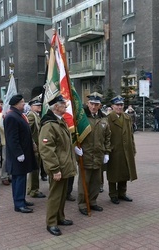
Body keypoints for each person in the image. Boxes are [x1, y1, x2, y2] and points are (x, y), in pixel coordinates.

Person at [39, 94, 77, 236]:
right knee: (55, 196)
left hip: (64, 165)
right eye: (63, 104)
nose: (66, 106)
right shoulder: (49, 125)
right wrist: (55, 169)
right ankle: (51, 222)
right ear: (56, 107)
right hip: (58, 167)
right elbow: (47, 149)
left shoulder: (60, 121)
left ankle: (60, 217)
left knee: (62, 195)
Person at [77, 92, 111, 215]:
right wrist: (76, 148)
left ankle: (92, 202)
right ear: (87, 104)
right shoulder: (82, 118)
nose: (93, 106)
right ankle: (82, 203)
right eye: (91, 104)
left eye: (96, 104)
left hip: (98, 155)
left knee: (96, 181)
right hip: (85, 154)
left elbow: (107, 137)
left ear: (100, 105)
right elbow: (75, 135)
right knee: (84, 182)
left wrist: (106, 152)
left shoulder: (103, 118)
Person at [4, 94, 37, 213]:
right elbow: (12, 138)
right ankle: (18, 204)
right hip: (18, 155)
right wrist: (18, 153)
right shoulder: (11, 117)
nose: (24, 104)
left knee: (22, 178)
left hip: (24, 152)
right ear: (16, 104)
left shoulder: (19, 115)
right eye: (22, 102)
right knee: (19, 178)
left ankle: (21, 199)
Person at [106, 95, 137, 204]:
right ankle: (113, 194)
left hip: (126, 150)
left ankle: (122, 193)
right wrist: (108, 150)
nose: (119, 107)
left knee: (124, 172)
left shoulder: (127, 118)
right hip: (114, 150)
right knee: (113, 173)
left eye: (121, 105)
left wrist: (133, 148)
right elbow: (106, 136)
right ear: (112, 106)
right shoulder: (108, 119)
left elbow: (131, 134)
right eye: (117, 105)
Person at [26, 96, 46, 198]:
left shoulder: (36, 115)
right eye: (37, 105)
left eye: (40, 105)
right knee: (34, 170)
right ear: (31, 106)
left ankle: (32, 189)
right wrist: (32, 144)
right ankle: (34, 190)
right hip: (35, 147)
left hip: (38, 146)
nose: (39, 106)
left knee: (36, 169)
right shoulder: (31, 116)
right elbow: (27, 131)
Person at [0, 111, 10, 186]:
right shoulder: (1, 114)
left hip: (13, 141)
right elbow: (0, 125)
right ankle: (4, 176)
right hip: (6, 140)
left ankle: (10, 175)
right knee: (5, 159)